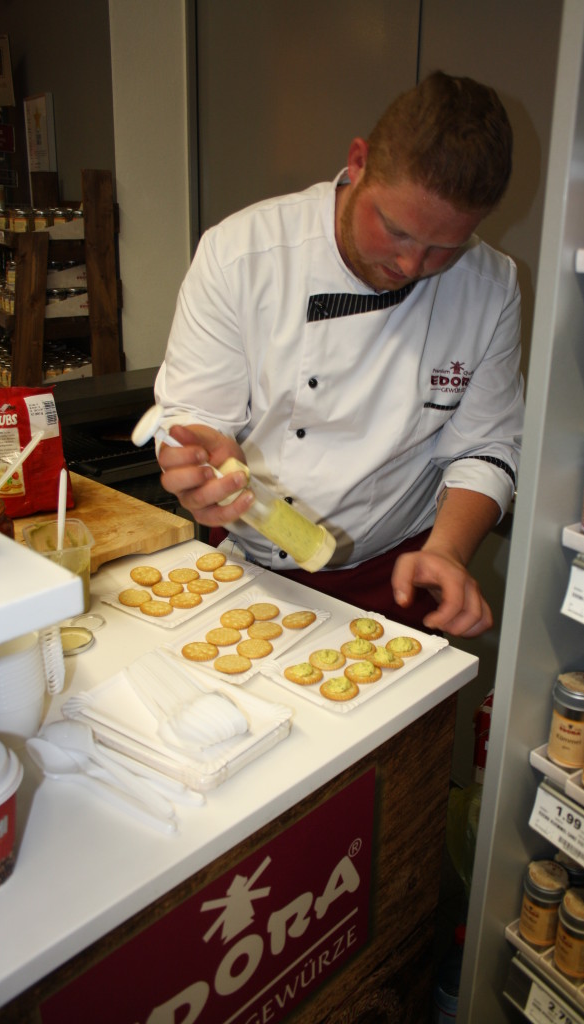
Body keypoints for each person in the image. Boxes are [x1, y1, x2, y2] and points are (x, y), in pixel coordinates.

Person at [154, 71, 524, 637]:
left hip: (393, 576)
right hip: (246, 568)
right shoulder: (242, 254)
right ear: (358, 162)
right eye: (396, 231)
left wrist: (448, 551)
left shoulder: (490, 287)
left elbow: (486, 446)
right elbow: (193, 419)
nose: (411, 266)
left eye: (443, 249)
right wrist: (196, 468)